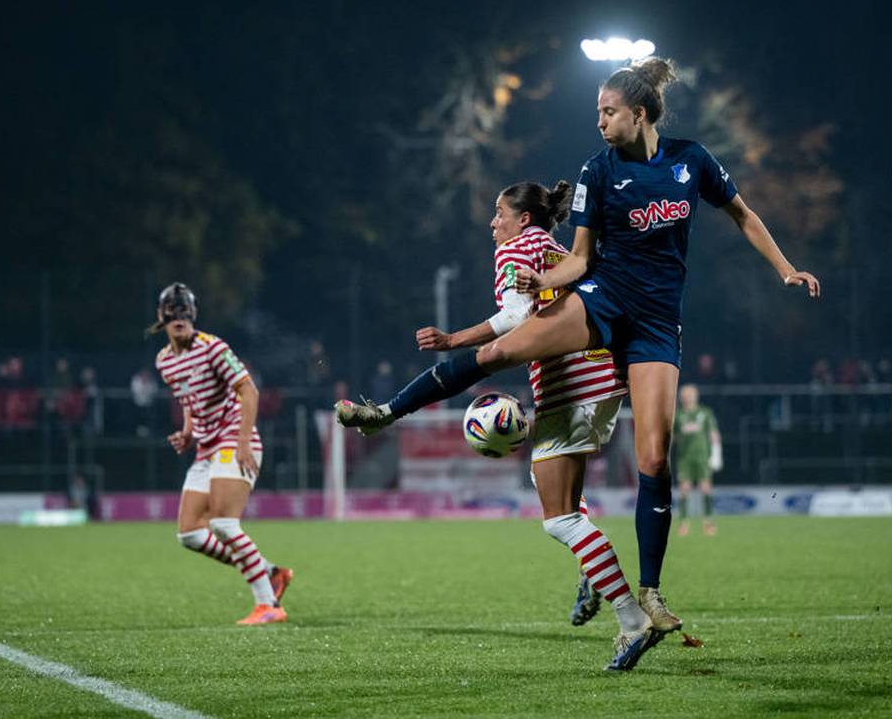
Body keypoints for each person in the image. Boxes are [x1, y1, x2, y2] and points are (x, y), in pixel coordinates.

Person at [337, 56, 820, 640]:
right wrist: (541, 283)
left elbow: (742, 214)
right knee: (500, 352)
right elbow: (582, 259)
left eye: (608, 112)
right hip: (602, 298)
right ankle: (386, 413)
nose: (599, 122)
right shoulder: (598, 169)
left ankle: (651, 594)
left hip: (657, 324)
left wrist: (786, 269)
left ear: (638, 114)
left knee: (654, 457)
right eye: (598, 112)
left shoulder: (692, 161)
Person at [387, 180, 655, 670]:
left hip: (573, 385)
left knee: (560, 519)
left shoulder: (518, 247)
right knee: (553, 489)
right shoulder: (553, 247)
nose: (493, 223)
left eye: (499, 213)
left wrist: (453, 341)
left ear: (522, 219)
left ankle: (632, 618)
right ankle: (592, 574)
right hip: (599, 374)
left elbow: (513, 318)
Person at [150, 283, 293, 625]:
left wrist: (243, 442)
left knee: (223, 524)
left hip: (233, 440)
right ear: (162, 317)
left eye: (185, 311)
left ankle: (269, 604)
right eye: (173, 311)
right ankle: (270, 572)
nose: (179, 317)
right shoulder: (164, 361)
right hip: (206, 446)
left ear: (193, 315)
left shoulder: (213, 348)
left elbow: (249, 391)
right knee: (190, 534)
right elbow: (189, 399)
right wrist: (187, 432)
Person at [672, 384, 722, 536]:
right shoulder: (678, 415)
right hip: (684, 458)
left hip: (702, 457)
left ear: (695, 396)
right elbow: (673, 437)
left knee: (705, 488)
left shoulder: (705, 413)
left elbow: (714, 434)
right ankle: (683, 523)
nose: (687, 397)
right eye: (685, 395)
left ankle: (708, 522)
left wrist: (716, 455)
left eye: (690, 395)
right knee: (684, 489)